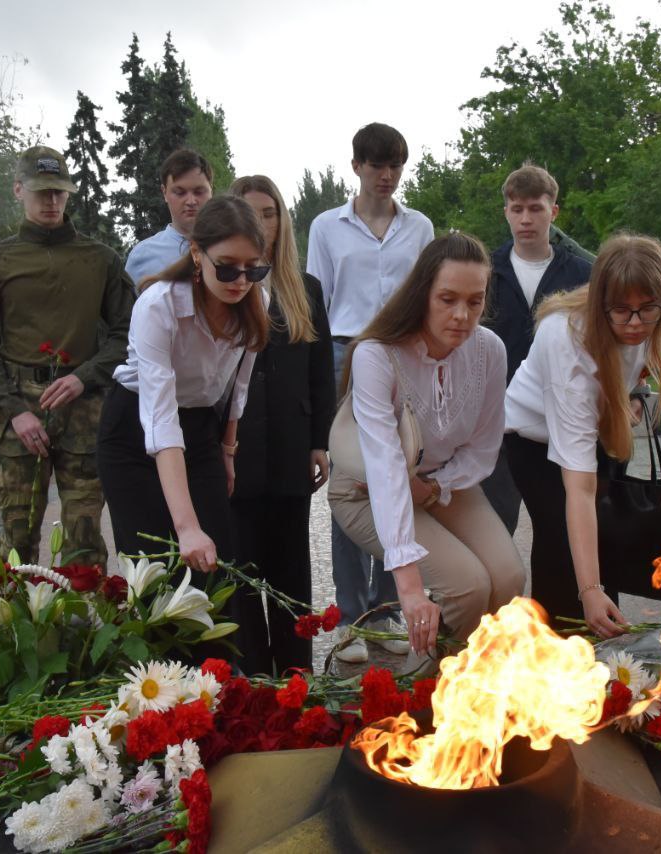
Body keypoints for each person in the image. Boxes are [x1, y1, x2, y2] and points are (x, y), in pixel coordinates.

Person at [328, 232, 524, 662]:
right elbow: (383, 469)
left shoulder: (490, 351)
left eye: (475, 302)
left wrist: (434, 487)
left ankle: (476, 691)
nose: (462, 315)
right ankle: (425, 699)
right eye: (447, 299)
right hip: (365, 491)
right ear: (422, 294)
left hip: (443, 483)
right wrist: (410, 589)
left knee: (508, 578)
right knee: (468, 586)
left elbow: (483, 448)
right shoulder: (376, 354)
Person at [504, 233, 661, 639]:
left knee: (605, 533)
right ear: (599, 303)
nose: (636, 324)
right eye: (622, 312)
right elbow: (580, 491)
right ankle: (558, 645)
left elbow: (627, 372)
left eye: (648, 310)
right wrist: (589, 589)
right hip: (532, 440)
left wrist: (629, 398)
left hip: (600, 426)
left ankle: (601, 632)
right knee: (560, 536)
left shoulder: (645, 319)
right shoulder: (565, 340)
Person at [0, 145, 134, 567]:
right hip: (18, 408)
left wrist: (85, 376)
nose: (51, 201)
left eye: (59, 192)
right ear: (19, 190)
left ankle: (82, 625)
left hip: (84, 405)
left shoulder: (101, 260)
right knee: (18, 534)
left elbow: (128, 332)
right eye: (41, 192)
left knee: (85, 536)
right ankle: (15, 627)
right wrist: (13, 408)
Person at [307, 122, 434, 662]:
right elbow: (316, 303)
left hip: (402, 354)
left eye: (395, 166)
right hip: (344, 354)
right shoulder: (326, 227)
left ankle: (387, 612)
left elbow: (428, 296)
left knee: (397, 482)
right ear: (356, 166)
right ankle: (352, 616)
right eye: (376, 165)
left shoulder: (420, 226)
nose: (386, 176)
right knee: (353, 482)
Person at [97, 195, 269, 579]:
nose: (241, 281)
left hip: (200, 429)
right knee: (155, 573)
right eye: (226, 269)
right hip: (134, 430)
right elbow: (160, 419)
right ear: (196, 253)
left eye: (252, 270)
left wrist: (227, 451)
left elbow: (237, 389)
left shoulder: (258, 301)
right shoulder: (158, 305)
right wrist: (187, 528)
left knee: (215, 568)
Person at [228, 175, 335, 675]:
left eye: (269, 213)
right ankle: (254, 684)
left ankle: (297, 680)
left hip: (293, 449)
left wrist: (320, 442)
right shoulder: (225, 284)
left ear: (281, 220)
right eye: (250, 213)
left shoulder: (305, 287)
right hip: (239, 454)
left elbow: (319, 371)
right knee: (244, 576)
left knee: (292, 576)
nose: (261, 223)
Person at [480, 163, 592, 534]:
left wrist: (636, 391)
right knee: (494, 528)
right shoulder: (484, 272)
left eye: (536, 208)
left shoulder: (581, 275)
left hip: (562, 417)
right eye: (517, 209)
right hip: (497, 420)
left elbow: (610, 337)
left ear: (553, 211)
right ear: (506, 212)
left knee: (560, 528)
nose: (526, 218)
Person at [125, 149, 214, 286]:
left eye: (199, 192)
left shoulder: (232, 248)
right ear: (164, 192)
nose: (190, 201)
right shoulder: (142, 256)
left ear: (211, 190)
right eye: (180, 192)